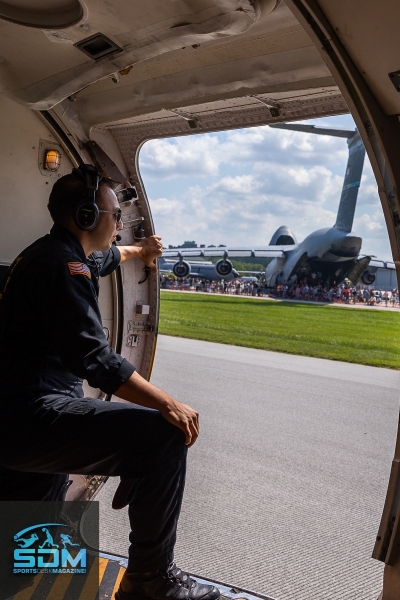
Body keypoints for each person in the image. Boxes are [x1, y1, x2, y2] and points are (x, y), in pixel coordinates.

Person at [0, 166, 220, 600]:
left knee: (20, 571)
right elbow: (95, 360)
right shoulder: (62, 266)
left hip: (13, 418)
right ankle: (150, 583)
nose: (120, 223)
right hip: (32, 416)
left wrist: (142, 250)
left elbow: (106, 257)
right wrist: (168, 404)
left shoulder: (52, 253)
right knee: (161, 437)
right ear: (86, 216)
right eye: (115, 215)